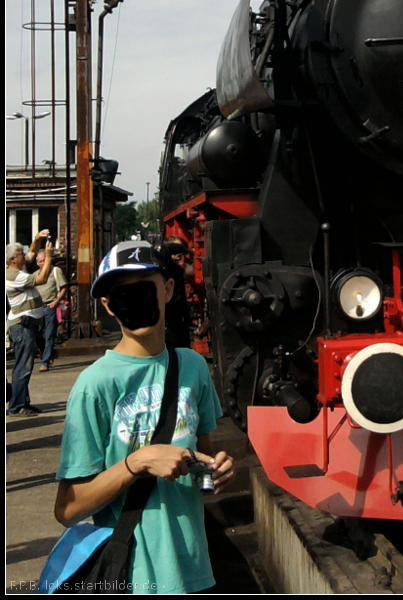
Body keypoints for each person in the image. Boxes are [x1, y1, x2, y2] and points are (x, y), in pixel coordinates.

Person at [54, 241, 234, 595]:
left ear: (167, 290)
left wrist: (217, 472)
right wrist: (138, 462)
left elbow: (203, 455)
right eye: (122, 295)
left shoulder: (193, 367)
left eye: (144, 289)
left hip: (194, 571)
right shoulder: (94, 385)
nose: (135, 302)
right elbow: (68, 508)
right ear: (108, 305)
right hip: (131, 575)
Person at [6, 238, 54, 415]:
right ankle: (17, 406)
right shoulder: (14, 276)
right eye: (20, 254)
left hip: (27, 324)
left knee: (24, 365)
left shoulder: (17, 269)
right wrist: (49, 257)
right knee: (23, 366)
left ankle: (22, 402)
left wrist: (37, 239)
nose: (24, 255)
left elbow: (31, 253)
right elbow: (41, 278)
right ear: (12, 260)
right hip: (22, 325)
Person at [34, 251, 68, 371]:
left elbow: (64, 287)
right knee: (37, 335)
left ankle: (45, 362)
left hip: (50, 306)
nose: (42, 263)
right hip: (38, 308)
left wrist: (56, 301)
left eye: (44, 260)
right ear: (37, 263)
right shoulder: (35, 275)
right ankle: (48, 353)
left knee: (49, 335)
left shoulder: (55, 271)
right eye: (40, 261)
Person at [159, 236, 194, 349]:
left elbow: (182, 297)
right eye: (176, 250)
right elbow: (166, 249)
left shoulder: (177, 270)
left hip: (180, 321)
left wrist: (188, 320)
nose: (179, 255)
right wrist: (187, 250)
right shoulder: (163, 265)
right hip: (167, 321)